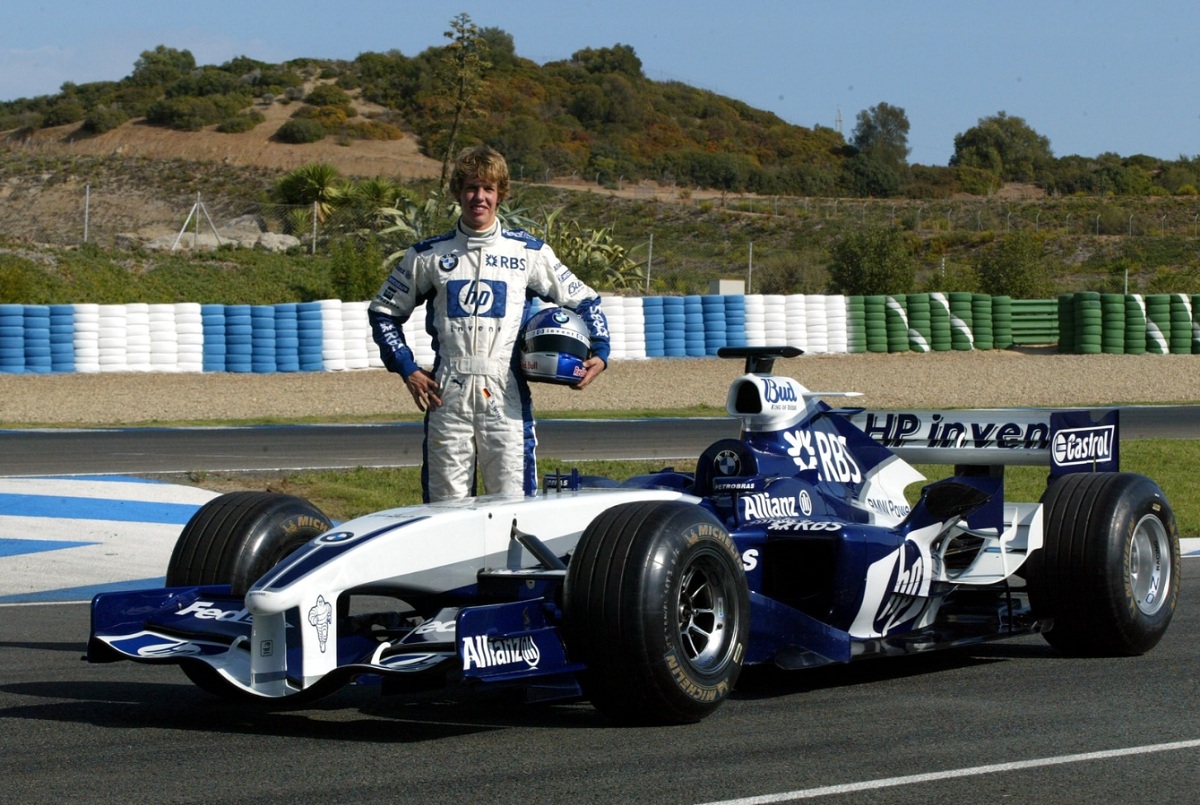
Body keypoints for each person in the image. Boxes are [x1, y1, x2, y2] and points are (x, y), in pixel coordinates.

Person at [368, 145, 610, 502]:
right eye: (470, 188)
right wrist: (407, 369)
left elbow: (586, 301)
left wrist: (601, 353)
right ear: (457, 193)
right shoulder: (427, 255)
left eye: (488, 189)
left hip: (506, 396)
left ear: (500, 194)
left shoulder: (528, 252)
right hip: (446, 396)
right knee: (443, 512)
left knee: (513, 507)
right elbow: (384, 312)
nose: (478, 197)